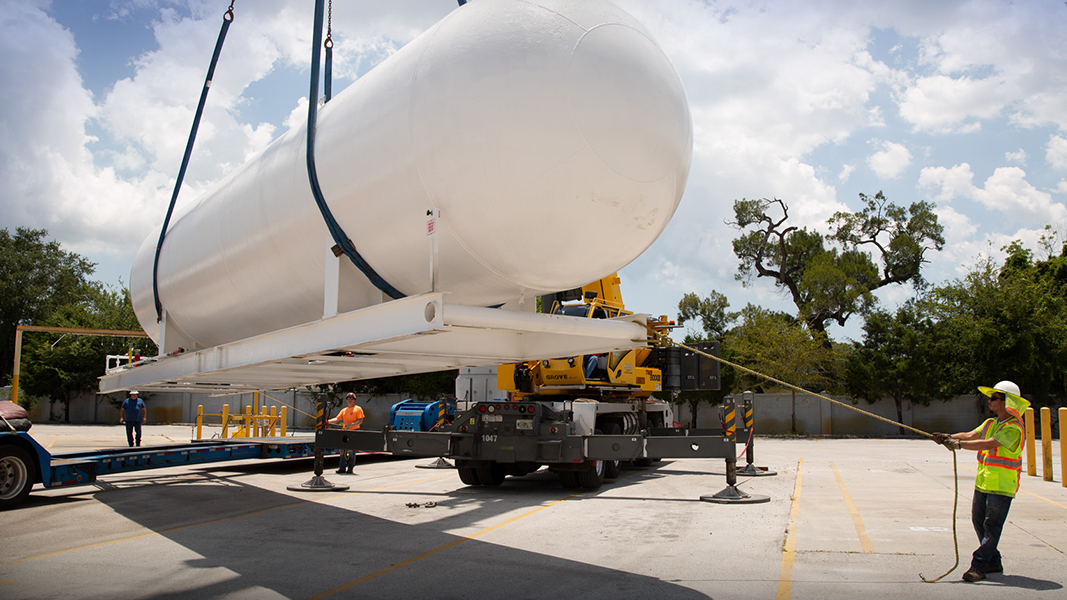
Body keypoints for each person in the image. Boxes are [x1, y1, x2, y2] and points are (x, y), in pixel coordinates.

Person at [932, 380, 1029, 583]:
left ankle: (979, 565)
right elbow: (970, 435)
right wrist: (947, 437)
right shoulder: (990, 423)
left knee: (992, 526)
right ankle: (993, 560)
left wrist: (957, 445)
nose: (990, 401)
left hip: (1002, 485)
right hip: (984, 482)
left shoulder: (1014, 428)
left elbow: (988, 443)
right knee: (979, 522)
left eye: (994, 398)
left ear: (1007, 402)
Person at [327, 393, 364, 474]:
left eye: (351, 398)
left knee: (351, 451)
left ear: (354, 400)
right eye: (348, 398)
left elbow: (360, 420)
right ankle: (342, 467)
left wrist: (351, 425)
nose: (350, 400)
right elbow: (337, 419)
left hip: (354, 431)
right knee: (343, 450)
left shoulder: (357, 409)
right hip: (344, 431)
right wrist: (327, 422)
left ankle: (350, 468)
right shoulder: (344, 410)